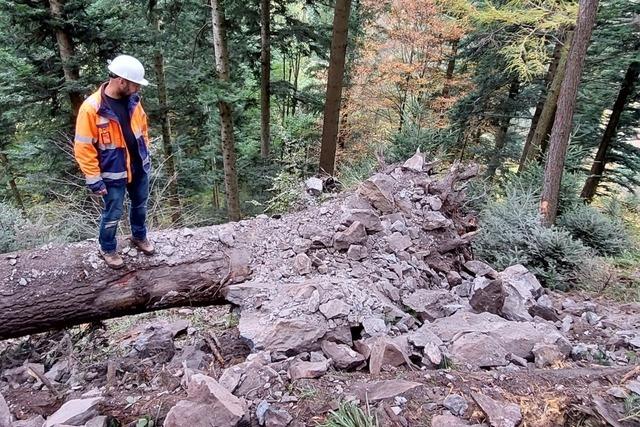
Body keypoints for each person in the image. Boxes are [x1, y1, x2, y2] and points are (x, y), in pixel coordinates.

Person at [73, 54, 155, 269]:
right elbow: (83, 147)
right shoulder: (92, 108)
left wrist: (146, 155)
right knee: (113, 213)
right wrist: (94, 179)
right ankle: (107, 248)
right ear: (121, 81)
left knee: (140, 206)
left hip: (138, 168)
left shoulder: (134, 102)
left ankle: (139, 236)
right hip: (112, 173)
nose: (138, 88)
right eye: (135, 84)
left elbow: (143, 130)